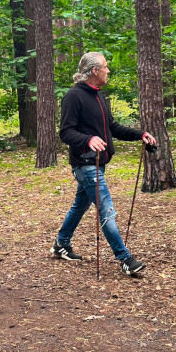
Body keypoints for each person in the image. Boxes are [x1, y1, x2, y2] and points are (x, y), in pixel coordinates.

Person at [51, 51, 157, 276]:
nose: (109, 71)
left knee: (81, 204)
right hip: (84, 164)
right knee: (106, 208)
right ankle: (125, 259)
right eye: (106, 67)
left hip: (99, 163)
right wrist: (88, 139)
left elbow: (113, 128)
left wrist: (141, 134)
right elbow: (65, 132)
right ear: (94, 71)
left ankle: (61, 244)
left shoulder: (99, 96)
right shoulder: (73, 96)